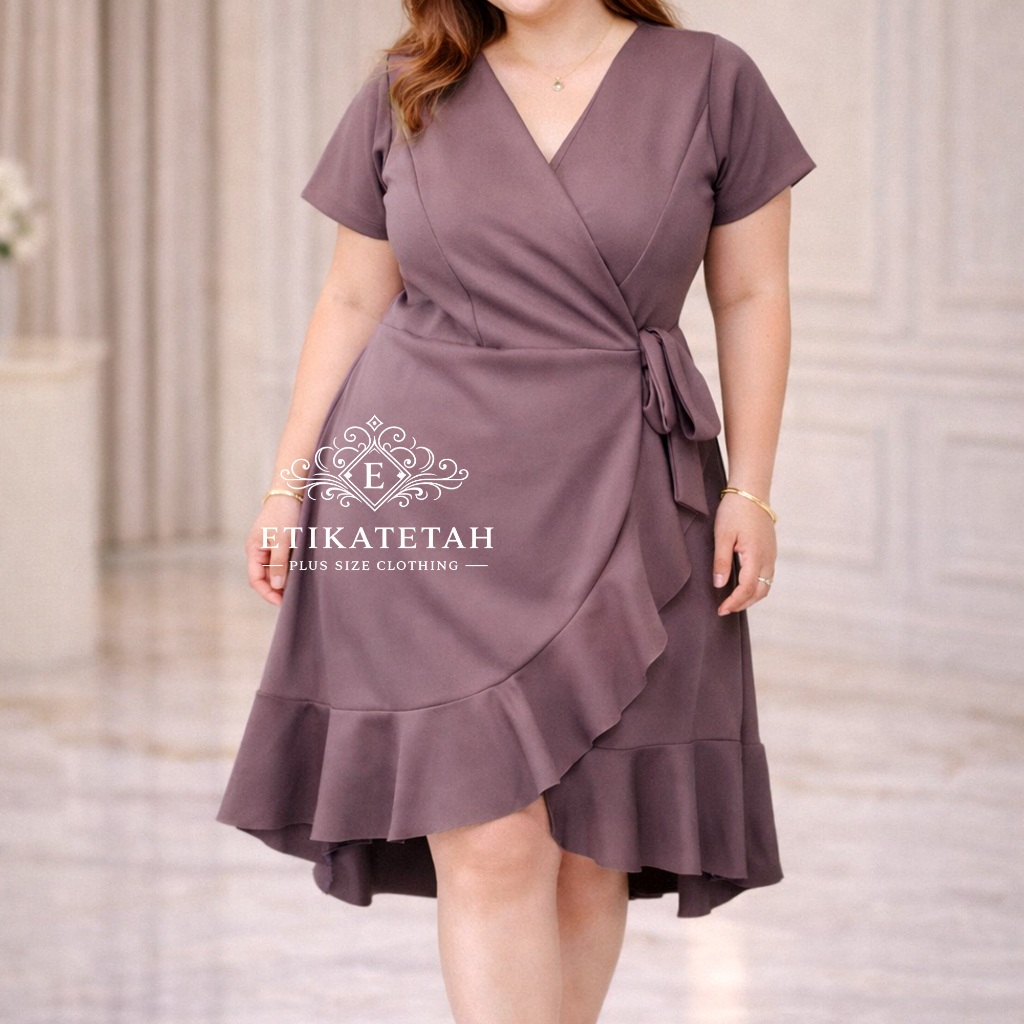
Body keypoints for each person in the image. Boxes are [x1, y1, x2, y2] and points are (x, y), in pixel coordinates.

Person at [217, 0, 815, 1020]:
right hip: (425, 507)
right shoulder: (410, 86)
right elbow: (353, 298)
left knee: (591, 846)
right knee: (489, 838)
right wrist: (289, 482)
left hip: (628, 492)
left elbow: (752, 295)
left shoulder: (713, 79)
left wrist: (750, 488)